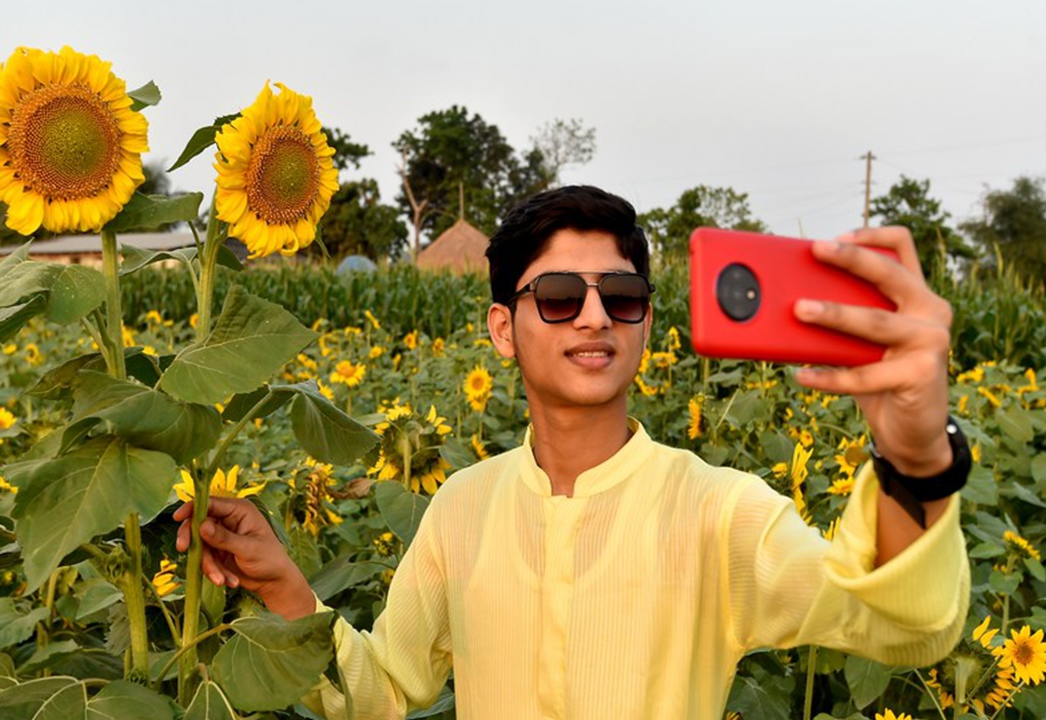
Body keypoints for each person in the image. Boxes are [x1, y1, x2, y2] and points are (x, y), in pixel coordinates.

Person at [174, 185, 970, 719]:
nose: (594, 317)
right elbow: (383, 689)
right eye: (558, 297)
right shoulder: (463, 507)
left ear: (646, 324)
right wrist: (285, 587)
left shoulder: (717, 510)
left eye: (620, 297)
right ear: (502, 331)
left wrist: (917, 458)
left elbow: (900, 626)